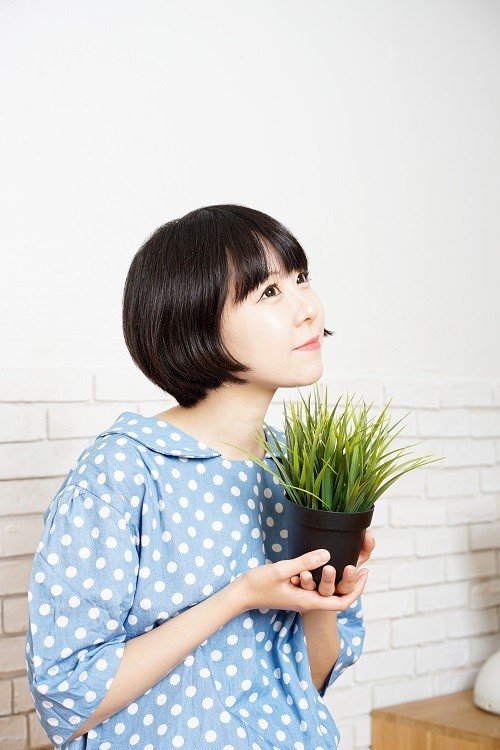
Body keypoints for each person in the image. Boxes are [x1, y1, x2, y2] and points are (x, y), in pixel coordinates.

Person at [26, 204, 375, 750]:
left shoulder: (300, 466)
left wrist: (323, 602)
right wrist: (239, 597)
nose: (308, 308)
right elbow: (68, 698)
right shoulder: (124, 471)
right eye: (269, 292)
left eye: (301, 278)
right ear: (195, 320)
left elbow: (306, 684)